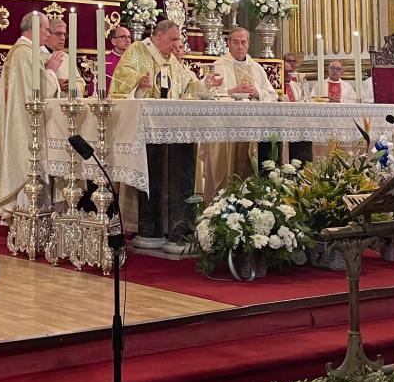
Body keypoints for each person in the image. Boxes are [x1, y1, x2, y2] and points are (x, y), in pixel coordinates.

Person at [111, 20, 220, 245]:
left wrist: (205, 83)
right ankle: (149, 229)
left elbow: (189, 86)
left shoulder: (172, 60)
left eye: (177, 39)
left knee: (180, 167)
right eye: (172, 39)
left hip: (174, 127)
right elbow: (120, 83)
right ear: (158, 36)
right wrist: (138, 83)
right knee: (153, 168)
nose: (175, 44)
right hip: (145, 129)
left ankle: (176, 229)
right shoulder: (137, 51)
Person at [0, 12, 63, 219]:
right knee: (29, 170)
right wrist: (51, 72)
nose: (47, 34)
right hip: (26, 126)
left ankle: (25, 222)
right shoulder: (25, 53)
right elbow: (38, 90)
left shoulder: (19, 51)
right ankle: (30, 222)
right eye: (46, 30)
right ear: (34, 29)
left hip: (19, 122)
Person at [199, 27, 277, 198]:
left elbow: (272, 95)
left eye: (243, 42)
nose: (240, 46)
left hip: (253, 132)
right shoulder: (218, 66)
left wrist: (257, 93)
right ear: (228, 43)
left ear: (248, 44)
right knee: (224, 175)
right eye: (235, 42)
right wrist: (231, 91)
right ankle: (220, 204)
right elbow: (205, 93)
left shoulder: (256, 68)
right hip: (224, 131)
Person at [45, 21, 83, 98]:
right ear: (47, 34)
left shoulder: (66, 57)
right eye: (58, 34)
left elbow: (81, 82)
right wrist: (55, 83)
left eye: (64, 34)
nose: (62, 38)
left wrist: (72, 85)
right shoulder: (36, 56)